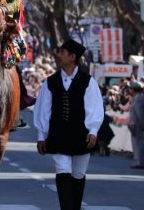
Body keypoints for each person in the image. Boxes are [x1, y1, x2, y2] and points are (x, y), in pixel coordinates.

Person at [34, 39, 104, 210]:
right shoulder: (50, 82)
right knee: (62, 171)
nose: (59, 55)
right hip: (58, 134)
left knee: (78, 175)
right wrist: (41, 135)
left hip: (81, 134)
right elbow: (43, 110)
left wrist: (93, 131)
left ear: (73, 57)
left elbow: (94, 108)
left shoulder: (88, 82)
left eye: (63, 52)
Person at [126, 81, 144, 169]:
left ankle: (141, 162)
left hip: (137, 124)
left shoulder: (139, 98)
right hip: (134, 123)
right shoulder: (136, 98)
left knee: (138, 143)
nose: (129, 91)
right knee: (136, 143)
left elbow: (140, 113)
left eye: (130, 89)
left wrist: (143, 124)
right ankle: (138, 161)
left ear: (134, 90)